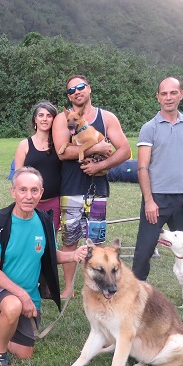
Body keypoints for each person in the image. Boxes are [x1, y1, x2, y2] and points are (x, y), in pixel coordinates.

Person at [0, 167, 87, 366]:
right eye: (23, 190)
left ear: (41, 193)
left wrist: (73, 256)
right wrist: (22, 296)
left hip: (29, 295)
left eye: (34, 190)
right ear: (13, 191)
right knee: (13, 306)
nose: (28, 196)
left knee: (25, 353)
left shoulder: (44, 221)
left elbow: (50, 256)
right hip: (1, 290)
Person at [52, 75, 131, 299]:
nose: (76, 92)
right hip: (70, 187)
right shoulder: (63, 119)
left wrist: (102, 166)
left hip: (98, 189)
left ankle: (98, 286)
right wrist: (96, 148)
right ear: (68, 97)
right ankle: (69, 288)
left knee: (96, 242)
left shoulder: (106, 118)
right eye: (71, 91)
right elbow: (62, 151)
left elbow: (124, 150)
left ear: (89, 89)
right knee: (70, 240)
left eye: (80, 87)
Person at [132, 76, 183, 281]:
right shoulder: (149, 128)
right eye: (164, 94)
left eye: (173, 93)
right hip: (156, 198)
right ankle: (136, 292)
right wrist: (149, 201)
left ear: (181, 95)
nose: (168, 97)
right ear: (158, 97)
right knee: (144, 250)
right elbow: (143, 167)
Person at [13, 101, 63, 231]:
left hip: (54, 202)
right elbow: (17, 177)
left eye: (49, 115)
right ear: (35, 119)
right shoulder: (24, 145)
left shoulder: (60, 144)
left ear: (54, 120)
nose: (44, 119)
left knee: (50, 240)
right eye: (41, 115)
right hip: (29, 203)